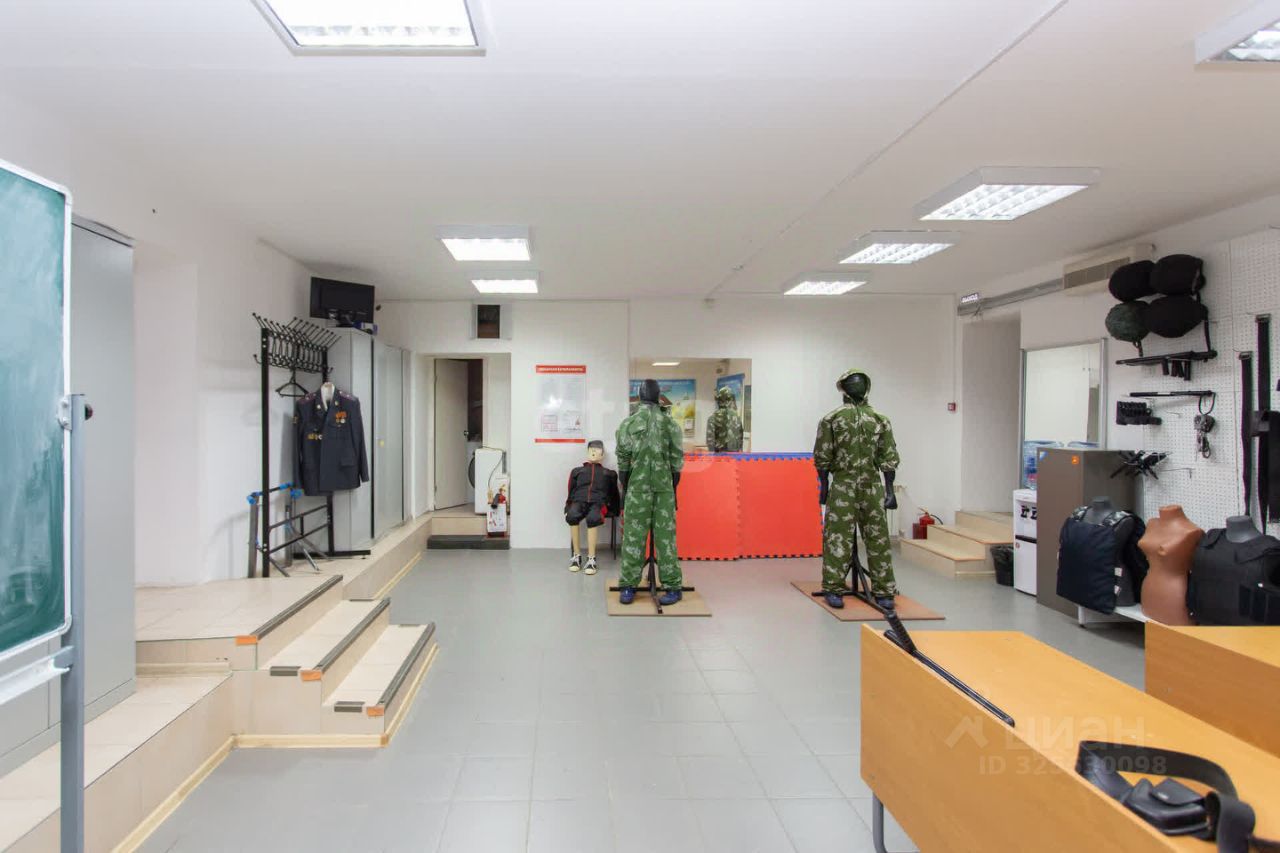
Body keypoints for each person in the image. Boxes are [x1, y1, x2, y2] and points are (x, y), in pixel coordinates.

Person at [814, 368, 900, 610]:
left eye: (860, 381)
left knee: (878, 538)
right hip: (843, 484)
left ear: (867, 386)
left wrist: (890, 491)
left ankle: (884, 589)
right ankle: (833, 587)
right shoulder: (832, 419)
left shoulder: (880, 420)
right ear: (843, 387)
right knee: (837, 538)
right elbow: (822, 455)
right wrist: (824, 488)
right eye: (851, 382)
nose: (856, 385)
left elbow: (888, 456)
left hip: (872, 486)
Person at [616, 379, 685, 605]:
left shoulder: (629, 423)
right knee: (666, 539)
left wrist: (626, 488)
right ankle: (672, 587)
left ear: (639, 396)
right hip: (663, 488)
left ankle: (628, 586)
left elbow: (623, 460)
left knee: (633, 537)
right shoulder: (671, 424)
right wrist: (673, 489)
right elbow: (676, 462)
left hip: (638, 488)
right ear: (658, 396)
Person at [565, 439, 621, 575]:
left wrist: (615, 509)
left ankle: (591, 558)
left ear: (603, 455)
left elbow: (614, 493)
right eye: (591, 449)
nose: (594, 451)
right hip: (579, 500)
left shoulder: (609, 473)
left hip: (598, 502)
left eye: (597, 449)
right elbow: (571, 490)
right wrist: (568, 506)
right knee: (572, 515)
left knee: (593, 517)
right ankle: (576, 556)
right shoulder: (577, 471)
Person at [705, 386, 744, 452]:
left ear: (719, 400)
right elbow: (740, 440)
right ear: (730, 400)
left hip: (720, 456)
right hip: (735, 456)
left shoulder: (712, 418)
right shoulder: (737, 417)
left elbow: (710, 443)